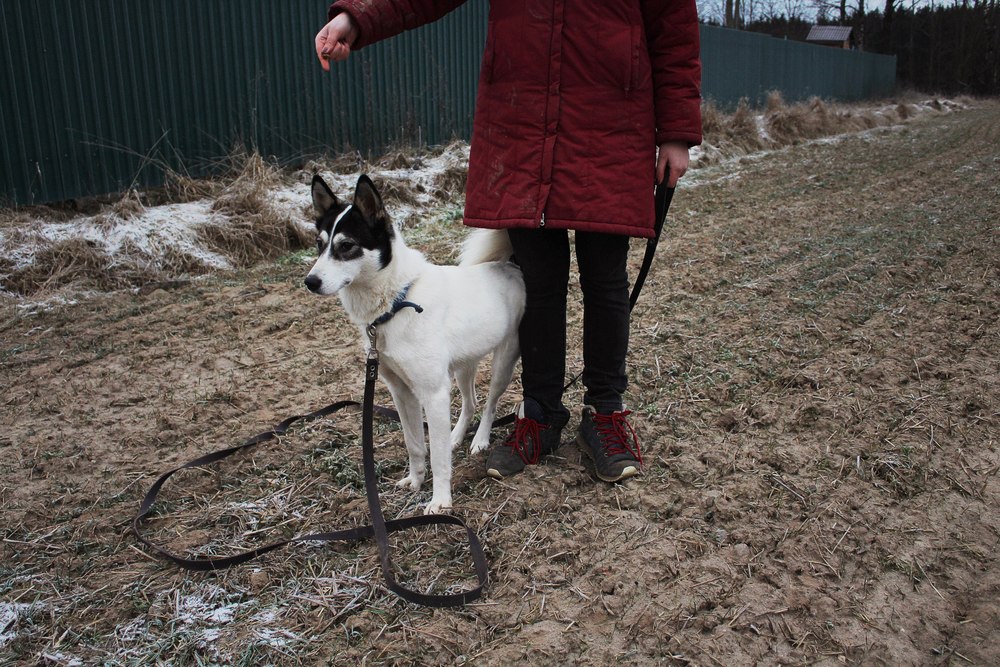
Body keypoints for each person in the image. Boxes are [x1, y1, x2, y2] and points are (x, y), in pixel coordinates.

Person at [315, 0, 702, 484]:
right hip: (522, 125)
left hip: (610, 123)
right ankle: (539, 416)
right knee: (538, 282)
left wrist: (677, 132)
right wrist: (359, 17)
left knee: (605, 280)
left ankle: (605, 414)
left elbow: (674, 27)